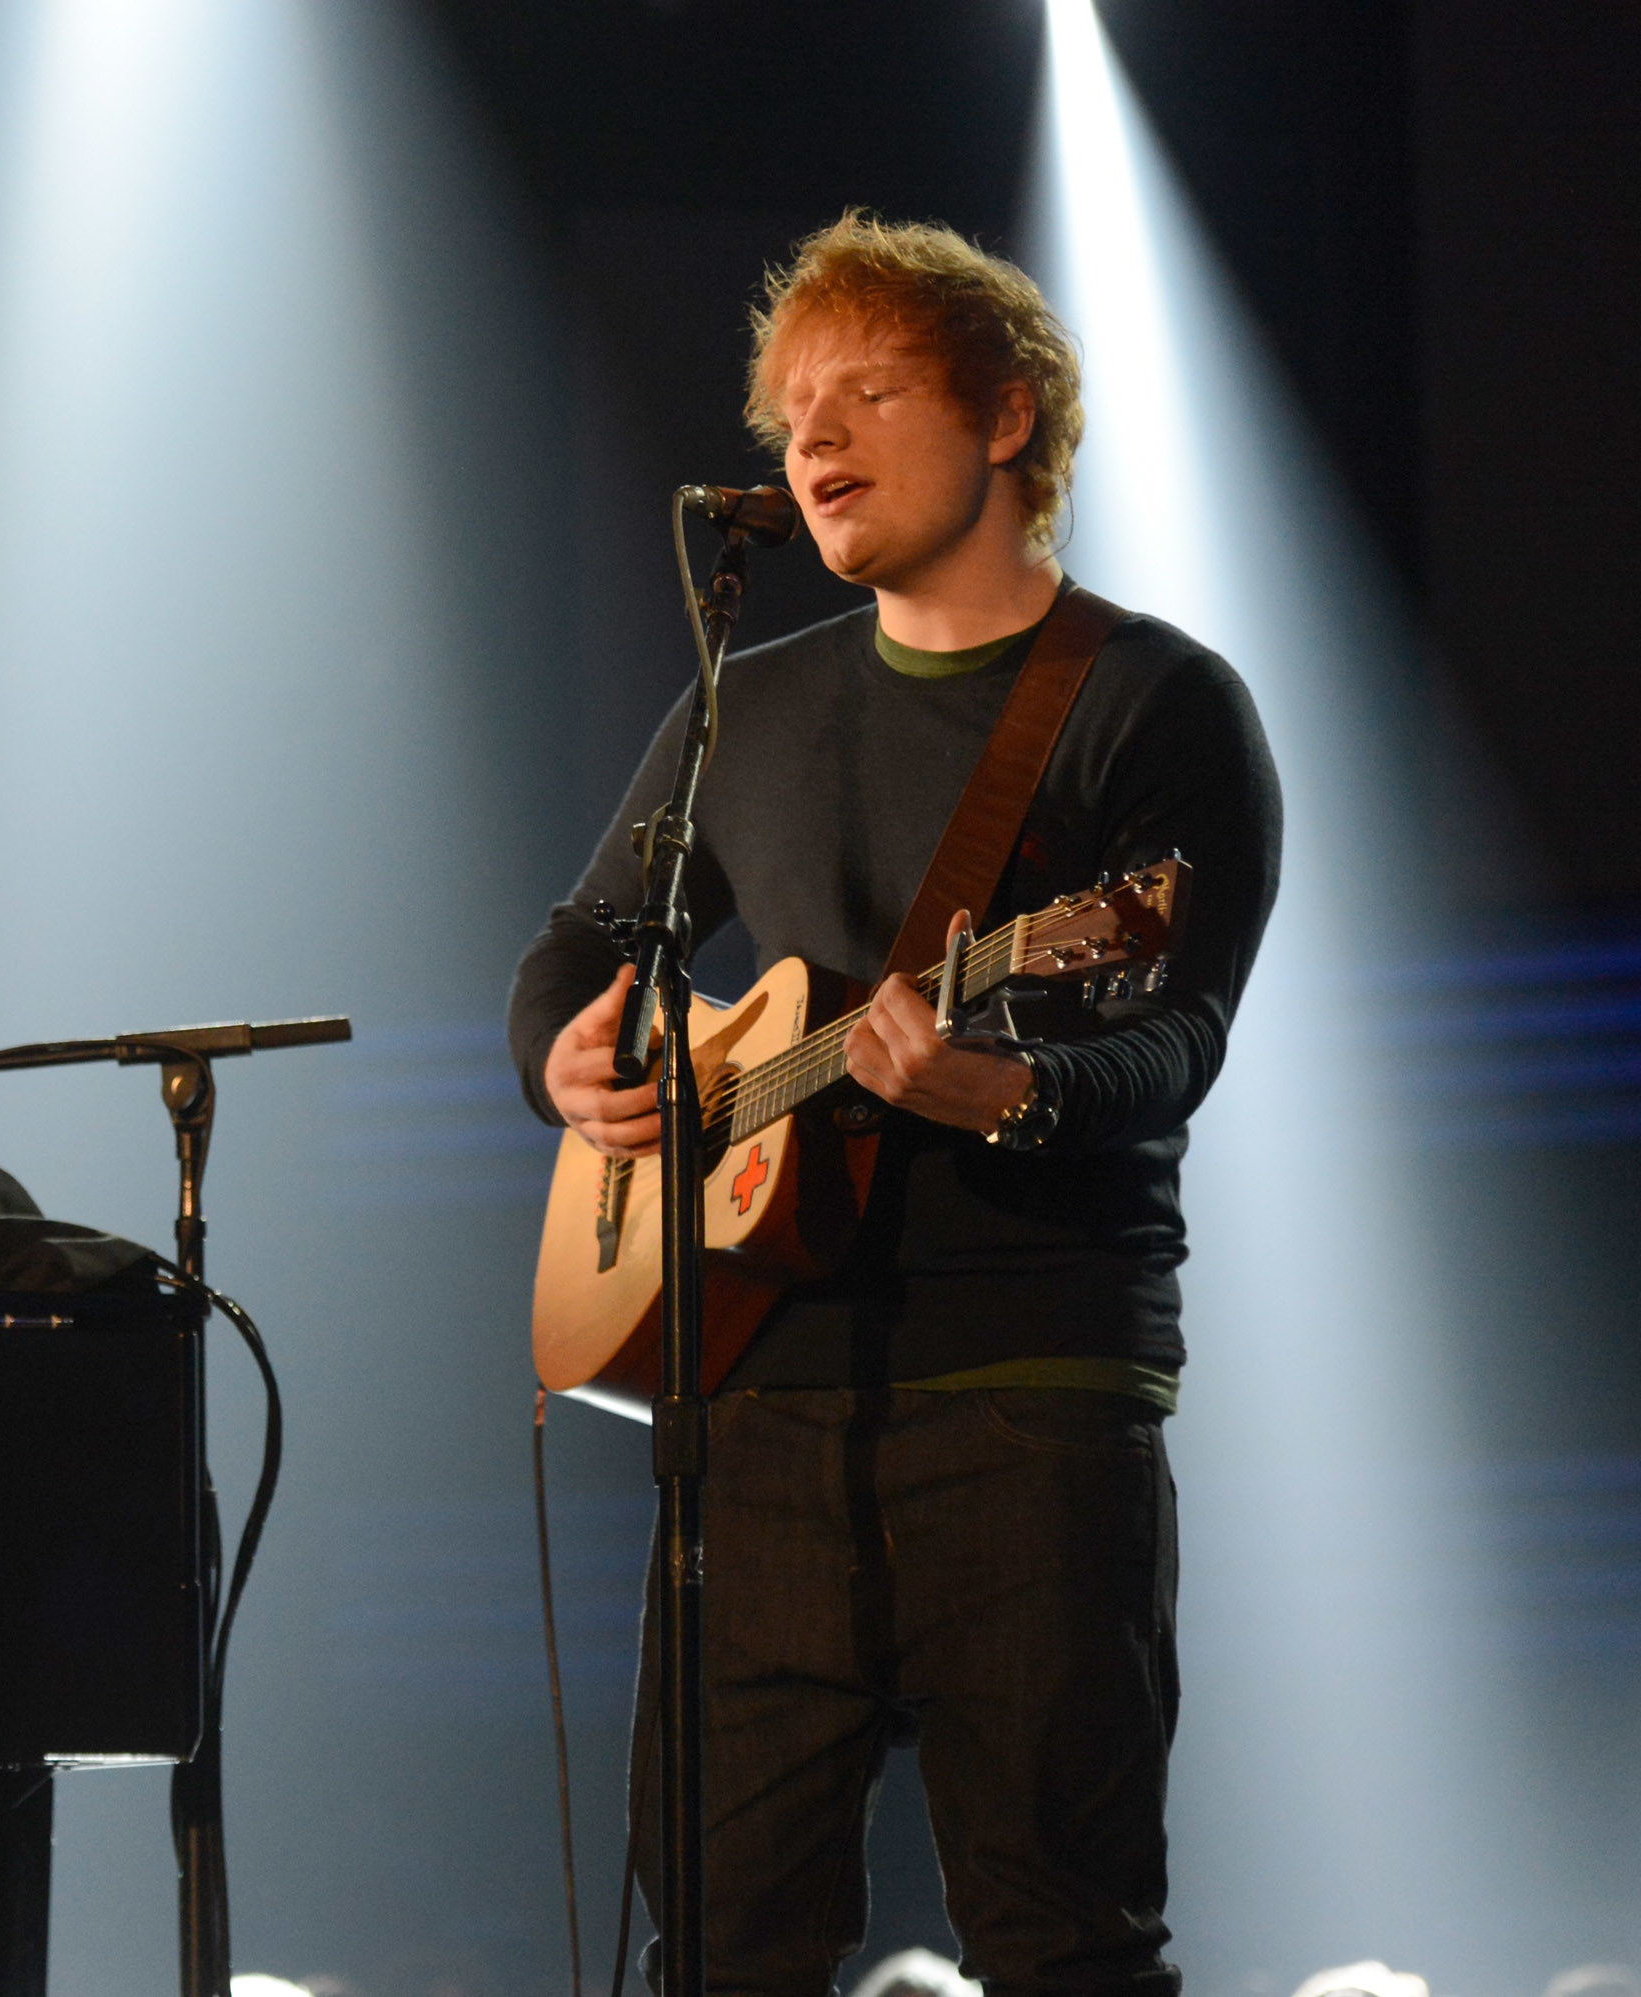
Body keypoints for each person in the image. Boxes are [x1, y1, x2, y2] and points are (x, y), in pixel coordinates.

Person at [508, 215, 1283, 1996]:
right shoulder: (749, 704)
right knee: (714, 1935)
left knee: (1062, 1935)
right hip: (756, 1403)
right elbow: (581, 945)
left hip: (1029, 1391)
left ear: (1007, 417)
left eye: (865, 390)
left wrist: (995, 1086)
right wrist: (564, 1049)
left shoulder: (1153, 705)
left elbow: (1172, 1035)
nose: (814, 443)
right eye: (792, 415)